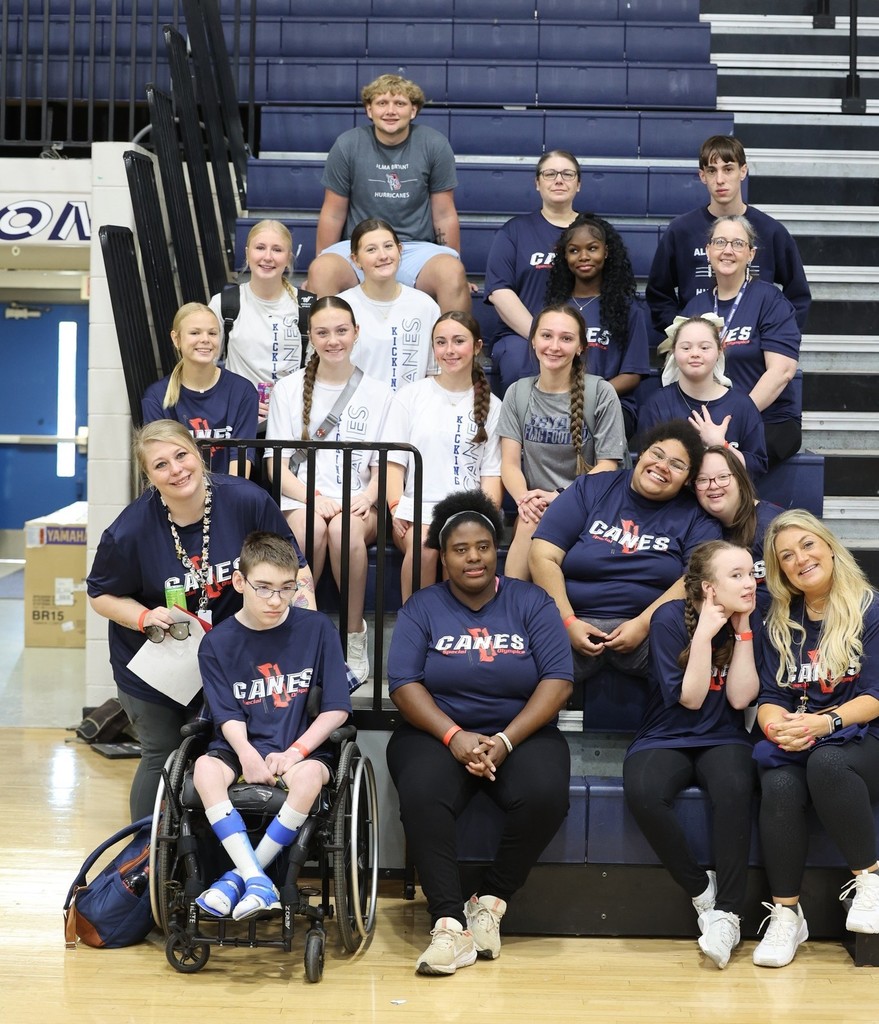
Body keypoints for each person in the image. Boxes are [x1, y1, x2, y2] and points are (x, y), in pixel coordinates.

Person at [86, 420, 315, 822]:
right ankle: (145, 856)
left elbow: (294, 567)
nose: (176, 470)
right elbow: (100, 594)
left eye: (181, 455)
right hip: (156, 662)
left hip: (226, 656)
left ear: (198, 454)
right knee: (161, 753)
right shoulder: (130, 530)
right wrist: (142, 616)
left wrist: (304, 615)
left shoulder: (245, 500)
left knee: (216, 755)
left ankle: (202, 857)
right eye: (160, 465)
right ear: (149, 476)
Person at [386, 490, 573, 975]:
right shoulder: (422, 608)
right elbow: (404, 685)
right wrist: (453, 736)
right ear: (443, 556)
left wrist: (506, 740)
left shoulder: (532, 601)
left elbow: (558, 679)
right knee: (423, 793)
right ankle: (448, 926)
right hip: (435, 733)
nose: (473, 557)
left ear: (498, 549)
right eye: (460, 549)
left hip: (521, 731)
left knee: (546, 793)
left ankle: (489, 901)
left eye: (483, 546)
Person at [192, 531, 353, 921]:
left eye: (286, 588)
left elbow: (337, 708)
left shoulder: (317, 629)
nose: (276, 600)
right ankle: (258, 880)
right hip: (240, 745)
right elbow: (226, 714)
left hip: (299, 745)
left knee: (312, 776)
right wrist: (247, 755)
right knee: (202, 769)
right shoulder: (216, 643)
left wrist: (296, 751)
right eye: (263, 588)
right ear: (240, 582)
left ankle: (239, 878)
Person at [624, 540, 760, 970]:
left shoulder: (750, 619)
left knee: (736, 788)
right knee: (644, 791)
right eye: (735, 576)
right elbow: (691, 699)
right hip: (667, 733)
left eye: (751, 573)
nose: (750, 582)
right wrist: (704, 632)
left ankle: (730, 914)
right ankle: (703, 891)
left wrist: (743, 632)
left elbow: (739, 699)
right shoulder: (668, 619)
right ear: (708, 588)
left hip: (724, 736)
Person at [752, 510, 879, 968]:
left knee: (827, 763)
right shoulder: (779, 620)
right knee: (780, 783)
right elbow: (769, 695)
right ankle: (787, 915)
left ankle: (870, 882)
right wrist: (777, 727)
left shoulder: (870, 608)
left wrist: (824, 725)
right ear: (780, 569)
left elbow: (876, 695)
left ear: (828, 546)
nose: (800, 559)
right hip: (802, 735)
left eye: (807, 545)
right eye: (786, 555)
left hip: (862, 738)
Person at [266, 296, 397, 683]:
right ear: (311, 336)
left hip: (359, 504)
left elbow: (384, 468)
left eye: (341, 331)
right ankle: (299, 634)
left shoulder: (380, 394)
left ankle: (354, 638)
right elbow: (275, 463)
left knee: (342, 529)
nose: (333, 340)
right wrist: (314, 498)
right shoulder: (287, 390)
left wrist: (366, 498)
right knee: (312, 526)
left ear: (356, 333)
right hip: (305, 500)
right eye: (322, 332)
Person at [529, 420, 721, 681]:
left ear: (688, 479)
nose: (662, 466)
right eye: (657, 454)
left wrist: (643, 625)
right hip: (574, 620)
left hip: (650, 630)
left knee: (692, 649)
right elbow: (542, 554)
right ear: (641, 454)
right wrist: (568, 621)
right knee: (518, 662)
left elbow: (694, 577)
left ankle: (671, 722)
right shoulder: (592, 488)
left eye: (677, 465)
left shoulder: (696, 515)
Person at [306, 74, 469, 313]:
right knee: (322, 270)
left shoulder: (434, 144)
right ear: (369, 110)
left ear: (413, 111)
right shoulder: (348, 144)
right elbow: (332, 212)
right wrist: (319, 262)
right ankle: (320, 351)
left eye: (400, 104)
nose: (390, 111)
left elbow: (444, 213)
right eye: (382, 103)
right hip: (359, 248)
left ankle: (455, 350)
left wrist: (455, 262)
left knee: (452, 273)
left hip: (415, 250)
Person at [499, 303, 629, 581]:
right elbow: (509, 464)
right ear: (533, 340)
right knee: (528, 520)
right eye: (546, 336)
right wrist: (525, 499)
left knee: (533, 523)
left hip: (590, 504)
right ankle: (511, 608)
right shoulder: (517, 392)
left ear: (581, 346)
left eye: (566, 338)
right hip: (536, 503)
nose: (554, 346)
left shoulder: (601, 392)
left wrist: (558, 497)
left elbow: (608, 466)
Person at [387, 311, 502, 602]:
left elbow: (491, 476)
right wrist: (395, 506)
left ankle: (459, 637)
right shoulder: (410, 396)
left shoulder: (493, 406)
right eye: (441, 342)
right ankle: (414, 631)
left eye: (458, 341)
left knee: (461, 550)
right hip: (415, 510)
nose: (449, 350)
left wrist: (480, 518)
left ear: (476, 347)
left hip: (467, 509)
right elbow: (393, 465)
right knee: (426, 549)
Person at [645, 134, 810, 335]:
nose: (720, 180)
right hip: (698, 353)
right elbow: (658, 295)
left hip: (754, 352)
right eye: (712, 171)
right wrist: (683, 335)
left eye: (728, 169)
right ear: (702, 176)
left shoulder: (770, 231)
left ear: (743, 171)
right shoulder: (680, 231)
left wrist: (776, 336)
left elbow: (798, 295)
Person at [681, 215, 802, 468]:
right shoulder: (695, 308)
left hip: (768, 421)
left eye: (737, 243)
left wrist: (734, 418)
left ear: (751, 254)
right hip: (709, 422)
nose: (728, 250)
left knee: (720, 460)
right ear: (708, 250)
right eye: (720, 242)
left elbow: (782, 371)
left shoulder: (770, 300)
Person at [483, 150, 581, 393]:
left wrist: (568, 339)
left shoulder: (596, 232)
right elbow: (499, 291)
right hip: (522, 334)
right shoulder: (514, 231)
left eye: (568, 174)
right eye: (550, 174)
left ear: (578, 184)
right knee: (519, 365)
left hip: (580, 334)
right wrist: (541, 337)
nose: (559, 180)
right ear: (537, 183)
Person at [545, 213, 651, 436]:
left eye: (592, 248)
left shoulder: (629, 309)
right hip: (558, 400)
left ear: (606, 252)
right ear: (564, 256)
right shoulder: (555, 310)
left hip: (612, 404)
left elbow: (632, 375)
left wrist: (591, 396)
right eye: (574, 250)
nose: (583, 256)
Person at [638, 313, 767, 481]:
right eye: (686, 348)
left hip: (724, 501)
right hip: (673, 503)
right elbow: (647, 466)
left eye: (704, 347)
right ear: (674, 352)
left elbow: (756, 467)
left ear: (720, 350)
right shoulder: (657, 404)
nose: (695, 353)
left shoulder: (742, 405)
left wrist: (721, 445)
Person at [141, 302, 258, 477]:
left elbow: (240, 470)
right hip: (179, 494)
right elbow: (163, 467)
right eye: (195, 333)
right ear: (176, 339)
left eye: (212, 333)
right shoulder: (157, 397)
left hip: (229, 496)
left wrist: (223, 503)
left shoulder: (243, 391)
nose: (205, 339)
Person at [208, 220, 305, 423]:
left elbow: (321, 371)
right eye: (260, 248)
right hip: (239, 420)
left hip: (293, 421)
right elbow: (202, 365)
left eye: (277, 249)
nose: (267, 257)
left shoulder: (308, 306)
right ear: (247, 253)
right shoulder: (224, 303)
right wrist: (234, 400)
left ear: (288, 257)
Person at [338, 218, 440, 391]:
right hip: (357, 412)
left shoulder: (425, 306)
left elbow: (435, 373)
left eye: (388, 246)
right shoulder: (341, 306)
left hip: (410, 413)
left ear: (399, 250)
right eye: (371, 250)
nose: (383, 256)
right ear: (356, 260)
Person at [694, 445, 782, 620]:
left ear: (741, 481)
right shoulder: (699, 529)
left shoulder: (773, 524)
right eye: (702, 480)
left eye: (723, 477)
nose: (713, 486)